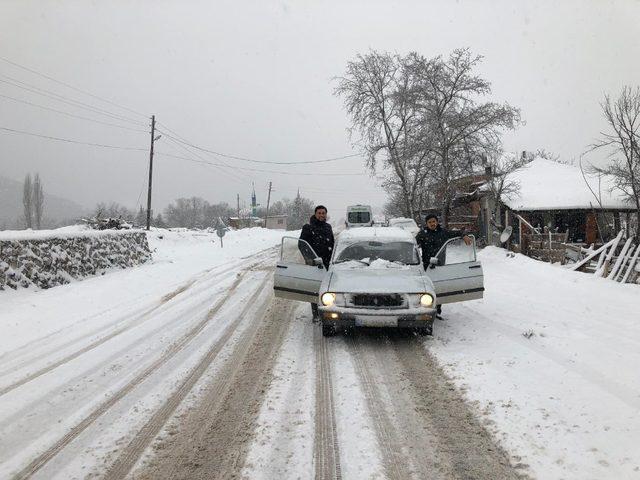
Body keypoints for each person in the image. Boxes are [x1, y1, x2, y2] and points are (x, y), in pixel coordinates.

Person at [415, 213, 472, 318]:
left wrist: (464, 235)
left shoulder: (443, 232)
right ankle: (425, 309)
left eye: (434, 221)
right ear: (426, 224)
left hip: (440, 265)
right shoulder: (422, 234)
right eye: (430, 222)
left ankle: (437, 311)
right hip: (426, 266)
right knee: (426, 288)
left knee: (438, 287)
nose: (432, 224)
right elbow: (413, 245)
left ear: (437, 222)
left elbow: (458, 233)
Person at [299, 205, 334, 319]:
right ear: (315, 214)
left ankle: (326, 311)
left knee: (327, 289)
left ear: (326, 214)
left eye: (323, 213)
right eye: (319, 213)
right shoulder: (308, 228)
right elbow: (302, 245)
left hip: (328, 263)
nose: (321, 215)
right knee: (315, 289)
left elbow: (332, 244)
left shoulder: (328, 227)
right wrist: (310, 259)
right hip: (314, 264)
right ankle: (316, 314)